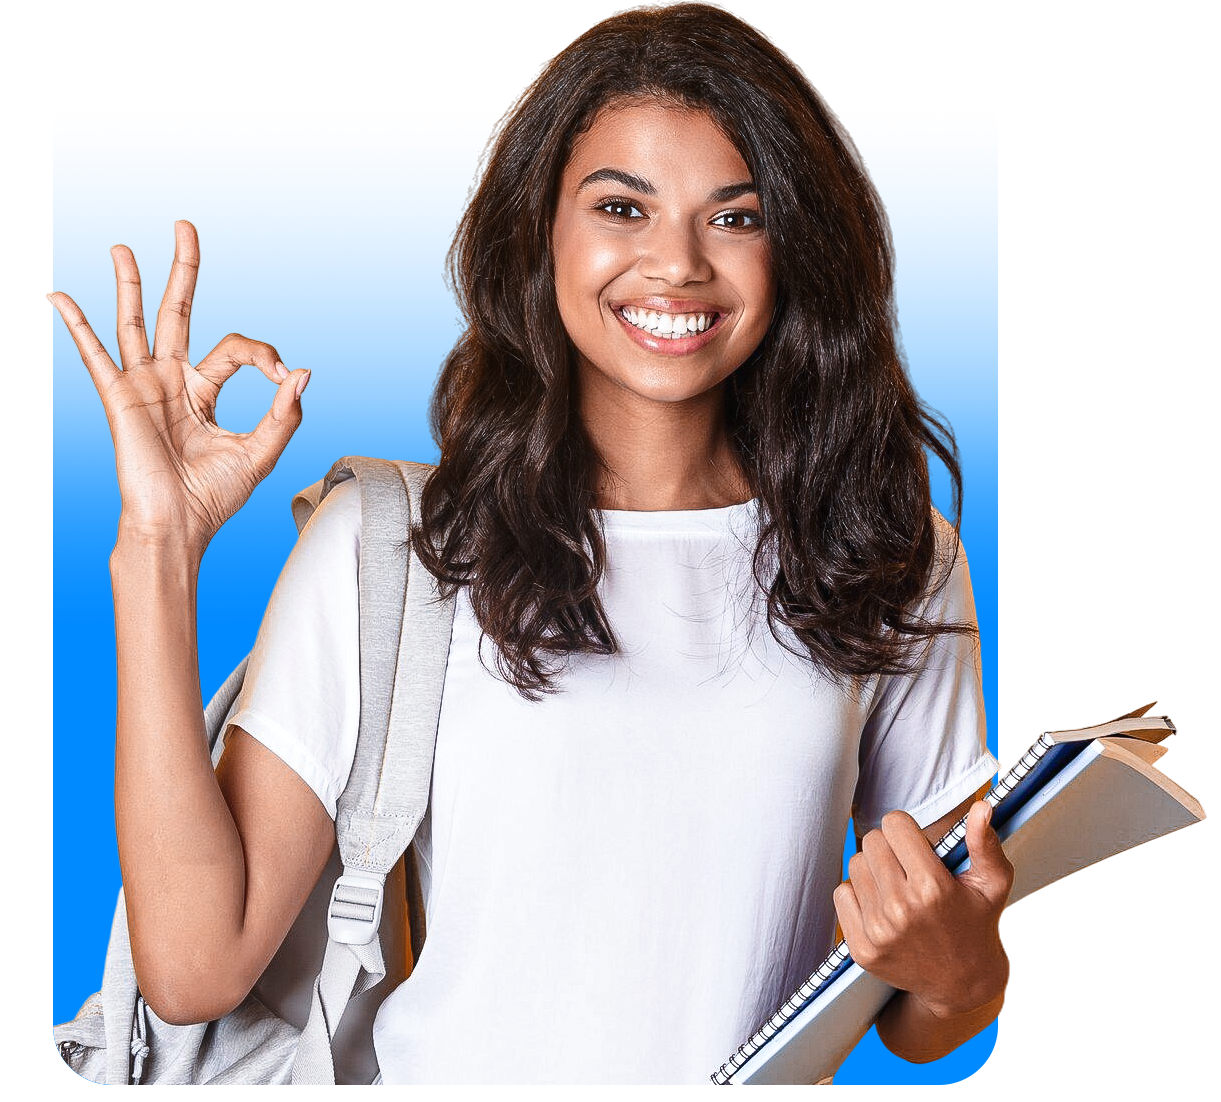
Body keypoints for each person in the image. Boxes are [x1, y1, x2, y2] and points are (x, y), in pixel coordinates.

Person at [48, 1, 1010, 1085]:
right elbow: (192, 966)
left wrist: (963, 974)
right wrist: (158, 549)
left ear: (799, 248)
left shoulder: (885, 556)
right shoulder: (400, 546)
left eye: (735, 218)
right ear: (540, 229)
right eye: (621, 207)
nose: (677, 264)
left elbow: (926, 1008)